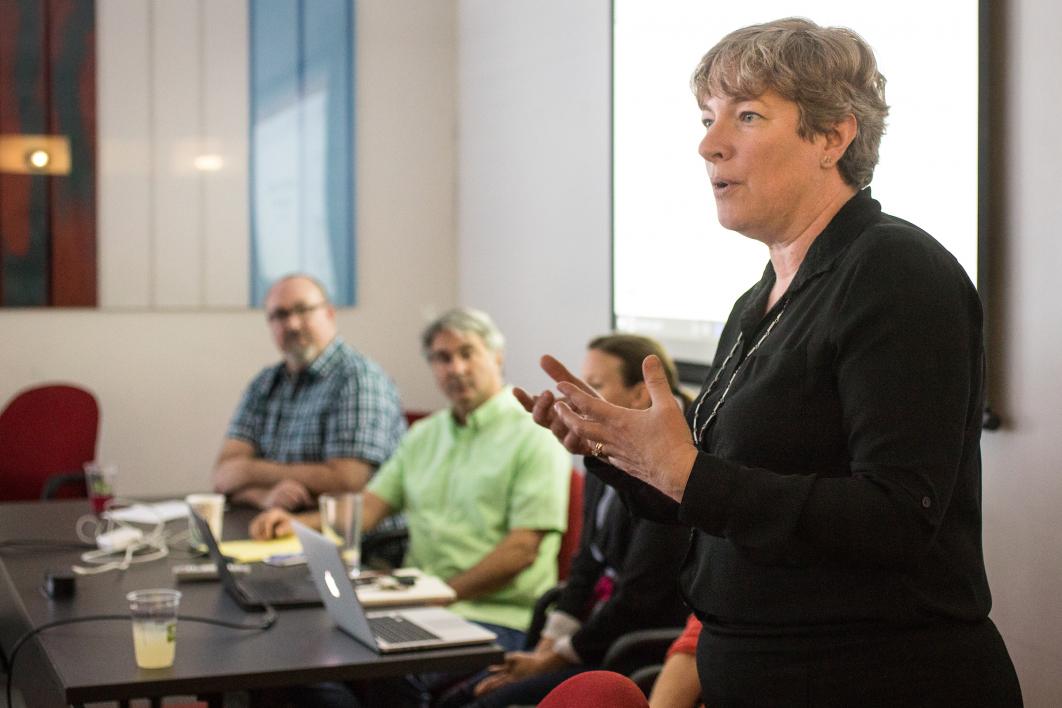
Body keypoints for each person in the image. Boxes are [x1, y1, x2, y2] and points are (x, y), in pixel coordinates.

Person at [517, 18, 1022, 707]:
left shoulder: (894, 269)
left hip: (875, 678)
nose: (708, 143)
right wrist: (619, 451)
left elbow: (898, 516)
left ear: (833, 136)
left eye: (746, 115)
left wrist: (686, 471)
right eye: (706, 117)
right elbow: (713, 501)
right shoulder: (758, 300)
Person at [251, 307, 571, 650]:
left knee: (352, 665)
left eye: (467, 353)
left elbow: (521, 551)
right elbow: (370, 508)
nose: (456, 369)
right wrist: (296, 524)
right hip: (418, 607)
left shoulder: (533, 435)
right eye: (442, 358)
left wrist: (441, 595)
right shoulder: (425, 435)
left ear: (497, 356)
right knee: (301, 644)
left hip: (495, 618)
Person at [454, 335, 692, 708]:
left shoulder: (675, 464)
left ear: (641, 395)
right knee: (463, 695)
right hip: (591, 637)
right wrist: (549, 642)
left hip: (628, 652)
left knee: (484, 702)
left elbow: (638, 598)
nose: (582, 399)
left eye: (594, 386)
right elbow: (586, 562)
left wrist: (555, 657)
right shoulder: (598, 445)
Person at [212, 274, 405, 511]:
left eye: (303, 310)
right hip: (280, 529)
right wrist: (264, 496)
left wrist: (249, 470)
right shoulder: (265, 383)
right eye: (280, 315)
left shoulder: (359, 379)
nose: (292, 324)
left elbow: (349, 482)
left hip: (360, 542)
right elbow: (223, 475)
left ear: (330, 314)